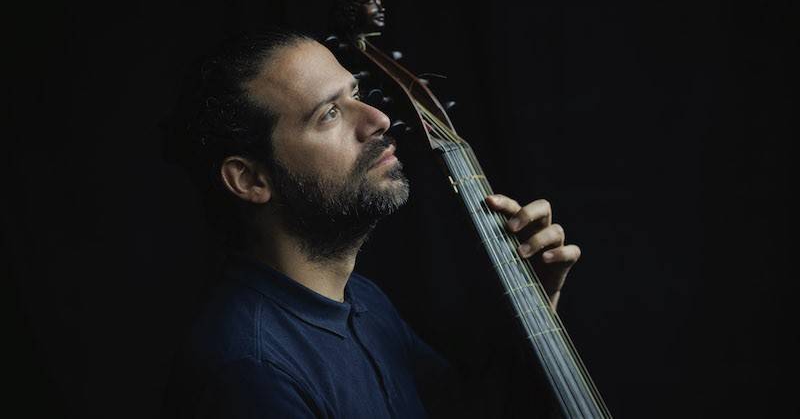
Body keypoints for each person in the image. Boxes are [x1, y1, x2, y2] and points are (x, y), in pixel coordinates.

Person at [159, 29, 580, 418]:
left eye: (356, 93)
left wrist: (536, 304)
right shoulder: (251, 371)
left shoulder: (363, 301)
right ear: (251, 179)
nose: (378, 119)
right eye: (329, 114)